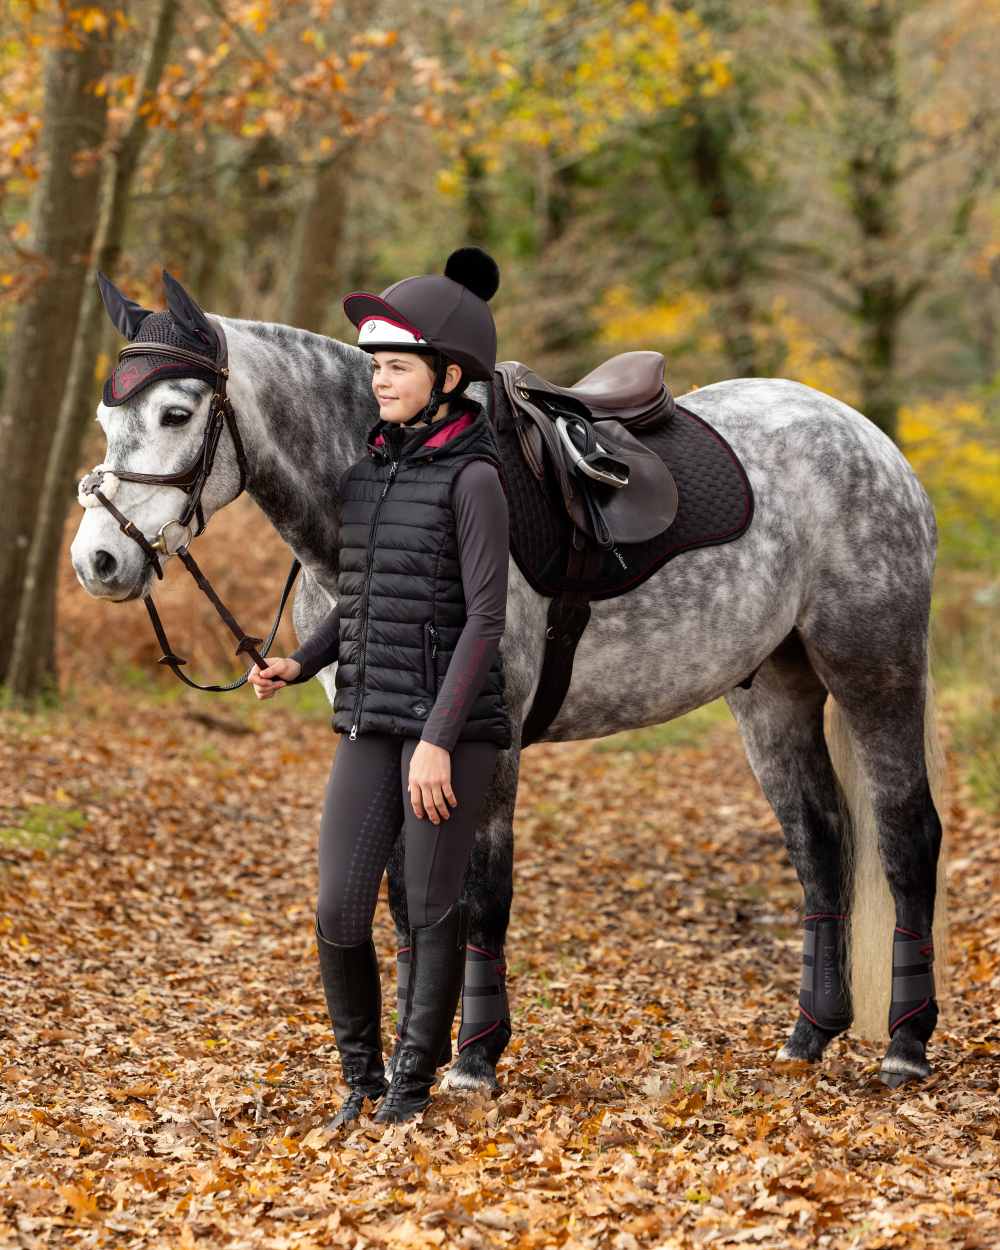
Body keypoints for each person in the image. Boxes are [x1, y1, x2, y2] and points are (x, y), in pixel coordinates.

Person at [248, 247, 513, 1125]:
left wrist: (439, 740)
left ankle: (407, 1090)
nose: (380, 381)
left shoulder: (475, 477)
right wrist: (303, 661)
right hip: (367, 716)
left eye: (397, 367)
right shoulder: (368, 476)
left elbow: (485, 618)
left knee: (432, 906)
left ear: (446, 376)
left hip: (449, 731)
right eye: (375, 367)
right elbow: (358, 597)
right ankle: (359, 1082)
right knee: (337, 909)